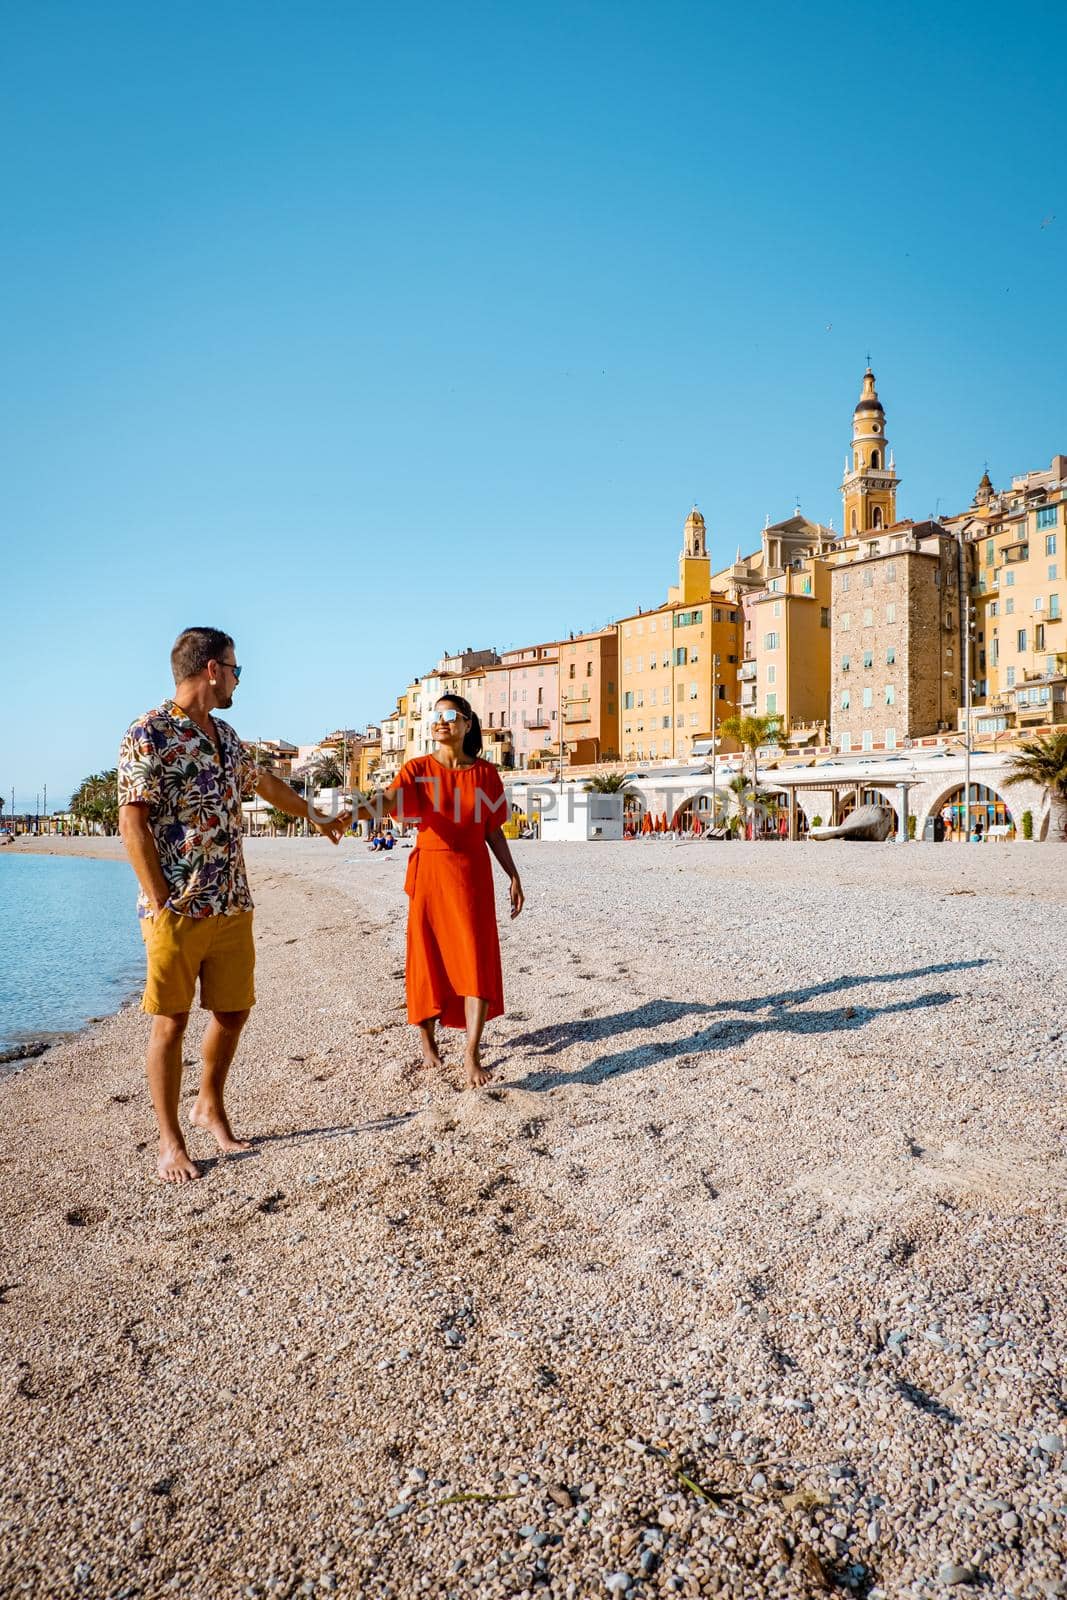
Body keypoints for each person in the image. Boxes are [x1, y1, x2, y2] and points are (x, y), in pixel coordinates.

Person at [118, 627, 347, 1185]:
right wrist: (160, 901)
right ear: (213, 668)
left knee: (233, 1011)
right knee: (171, 1022)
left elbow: (266, 785)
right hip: (177, 906)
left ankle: (208, 1105)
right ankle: (170, 1140)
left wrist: (318, 819)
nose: (240, 679)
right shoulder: (147, 733)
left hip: (231, 900)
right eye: (237, 670)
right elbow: (132, 823)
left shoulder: (223, 735)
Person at [348, 695, 523, 1088]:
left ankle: (471, 1052)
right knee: (427, 956)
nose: (441, 722)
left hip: (473, 873)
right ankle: (427, 1043)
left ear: (466, 724)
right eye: (436, 716)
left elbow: (492, 829)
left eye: (450, 716)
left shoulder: (486, 775)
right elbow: (389, 800)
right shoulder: (417, 770)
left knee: (475, 957)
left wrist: (512, 874)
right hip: (430, 871)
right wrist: (354, 812)